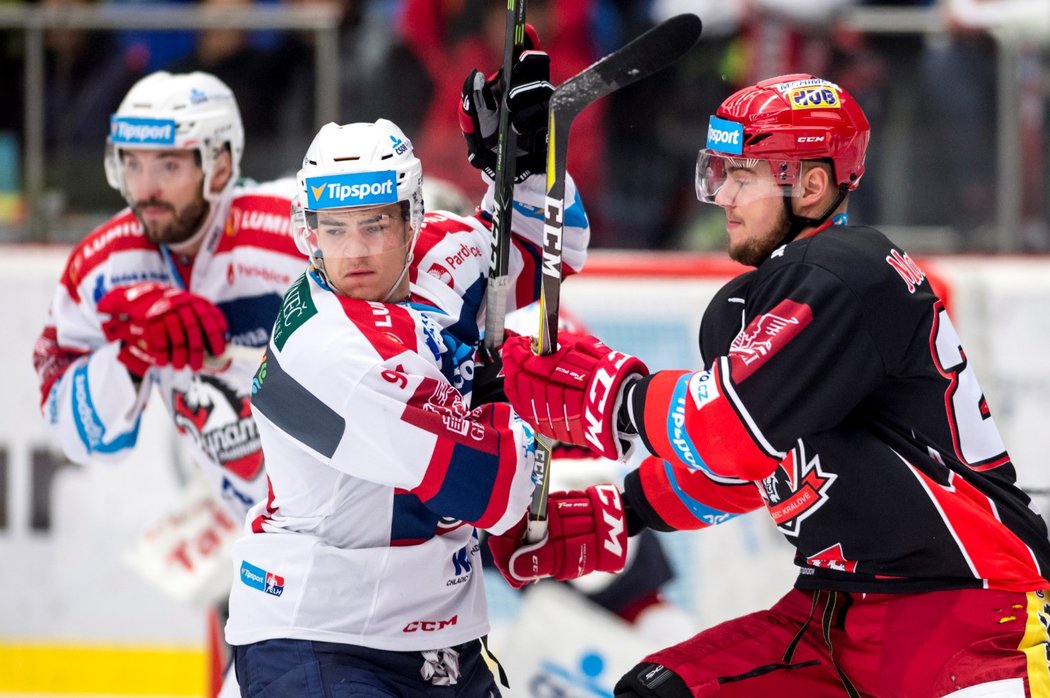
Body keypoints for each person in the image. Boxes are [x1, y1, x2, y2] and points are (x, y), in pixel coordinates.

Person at [488, 73, 1050, 697]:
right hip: (830, 616)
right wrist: (626, 507)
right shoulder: (755, 302)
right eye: (717, 172)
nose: (723, 195)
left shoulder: (847, 273)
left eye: (744, 175)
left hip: (966, 617)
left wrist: (612, 393)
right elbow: (751, 470)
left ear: (810, 185)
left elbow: (724, 435)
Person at [223, 51, 592, 696]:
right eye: (333, 230)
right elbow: (491, 489)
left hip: (440, 633)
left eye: (374, 225)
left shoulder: (445, 251)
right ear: (307, 232)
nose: (356, 251)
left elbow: (552, 244)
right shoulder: (325, 351)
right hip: (320, 637)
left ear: (411, 218)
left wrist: (526, 163)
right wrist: (516, 392)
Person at [31, 70, 304, 695]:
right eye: (132, 164)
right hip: (259, 554)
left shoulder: (294, 231)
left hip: (373, 534)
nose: (145, 188)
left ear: (220, 162)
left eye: (168, 165)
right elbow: (79, 434)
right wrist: (127, 355)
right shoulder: (102, 269)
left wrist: (230, 359)